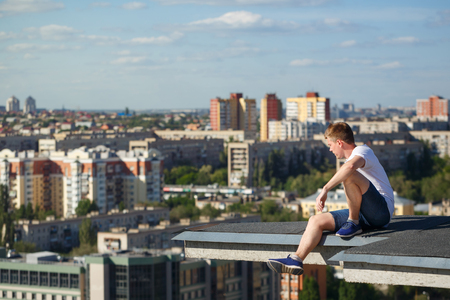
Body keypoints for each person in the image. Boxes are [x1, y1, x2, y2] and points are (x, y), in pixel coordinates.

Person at [267, 122, 394, 276]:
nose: (330, 149)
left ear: (339, 142)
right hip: (364, 213)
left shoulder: (362, 151)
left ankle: (353, 222)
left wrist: (325, 189)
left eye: (330, 144)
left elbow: (350, 168)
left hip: (381, 212)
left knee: (349, 174)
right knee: (315, 220)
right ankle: (297, 259)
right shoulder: (351, 160)